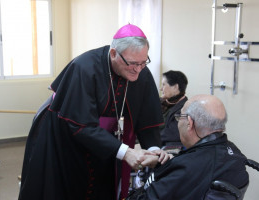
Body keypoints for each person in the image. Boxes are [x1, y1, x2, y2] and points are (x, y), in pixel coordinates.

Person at [18, 24, 171, 200]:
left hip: (106, 141)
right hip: (64, 135)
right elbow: (79, 124)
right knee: (64, 186)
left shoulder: (140, 72)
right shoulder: (84, 67)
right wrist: (126, 152)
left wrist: (153, 150)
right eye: (133, 63)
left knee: (102, 183)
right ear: (114, 54)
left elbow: (147, 119)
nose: (138, 69)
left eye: (144, 62)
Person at [127, 94, 249, 200]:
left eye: (180, 117)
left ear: (189, 123)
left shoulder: (187, 168)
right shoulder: (234, 153)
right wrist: (165, 163)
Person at [159, 70, 188, 152]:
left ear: (175, 87)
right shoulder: (160, 102)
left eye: (164, 85)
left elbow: (171, 134)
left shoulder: (185, 108)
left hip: (165, 147)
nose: (161, 89)